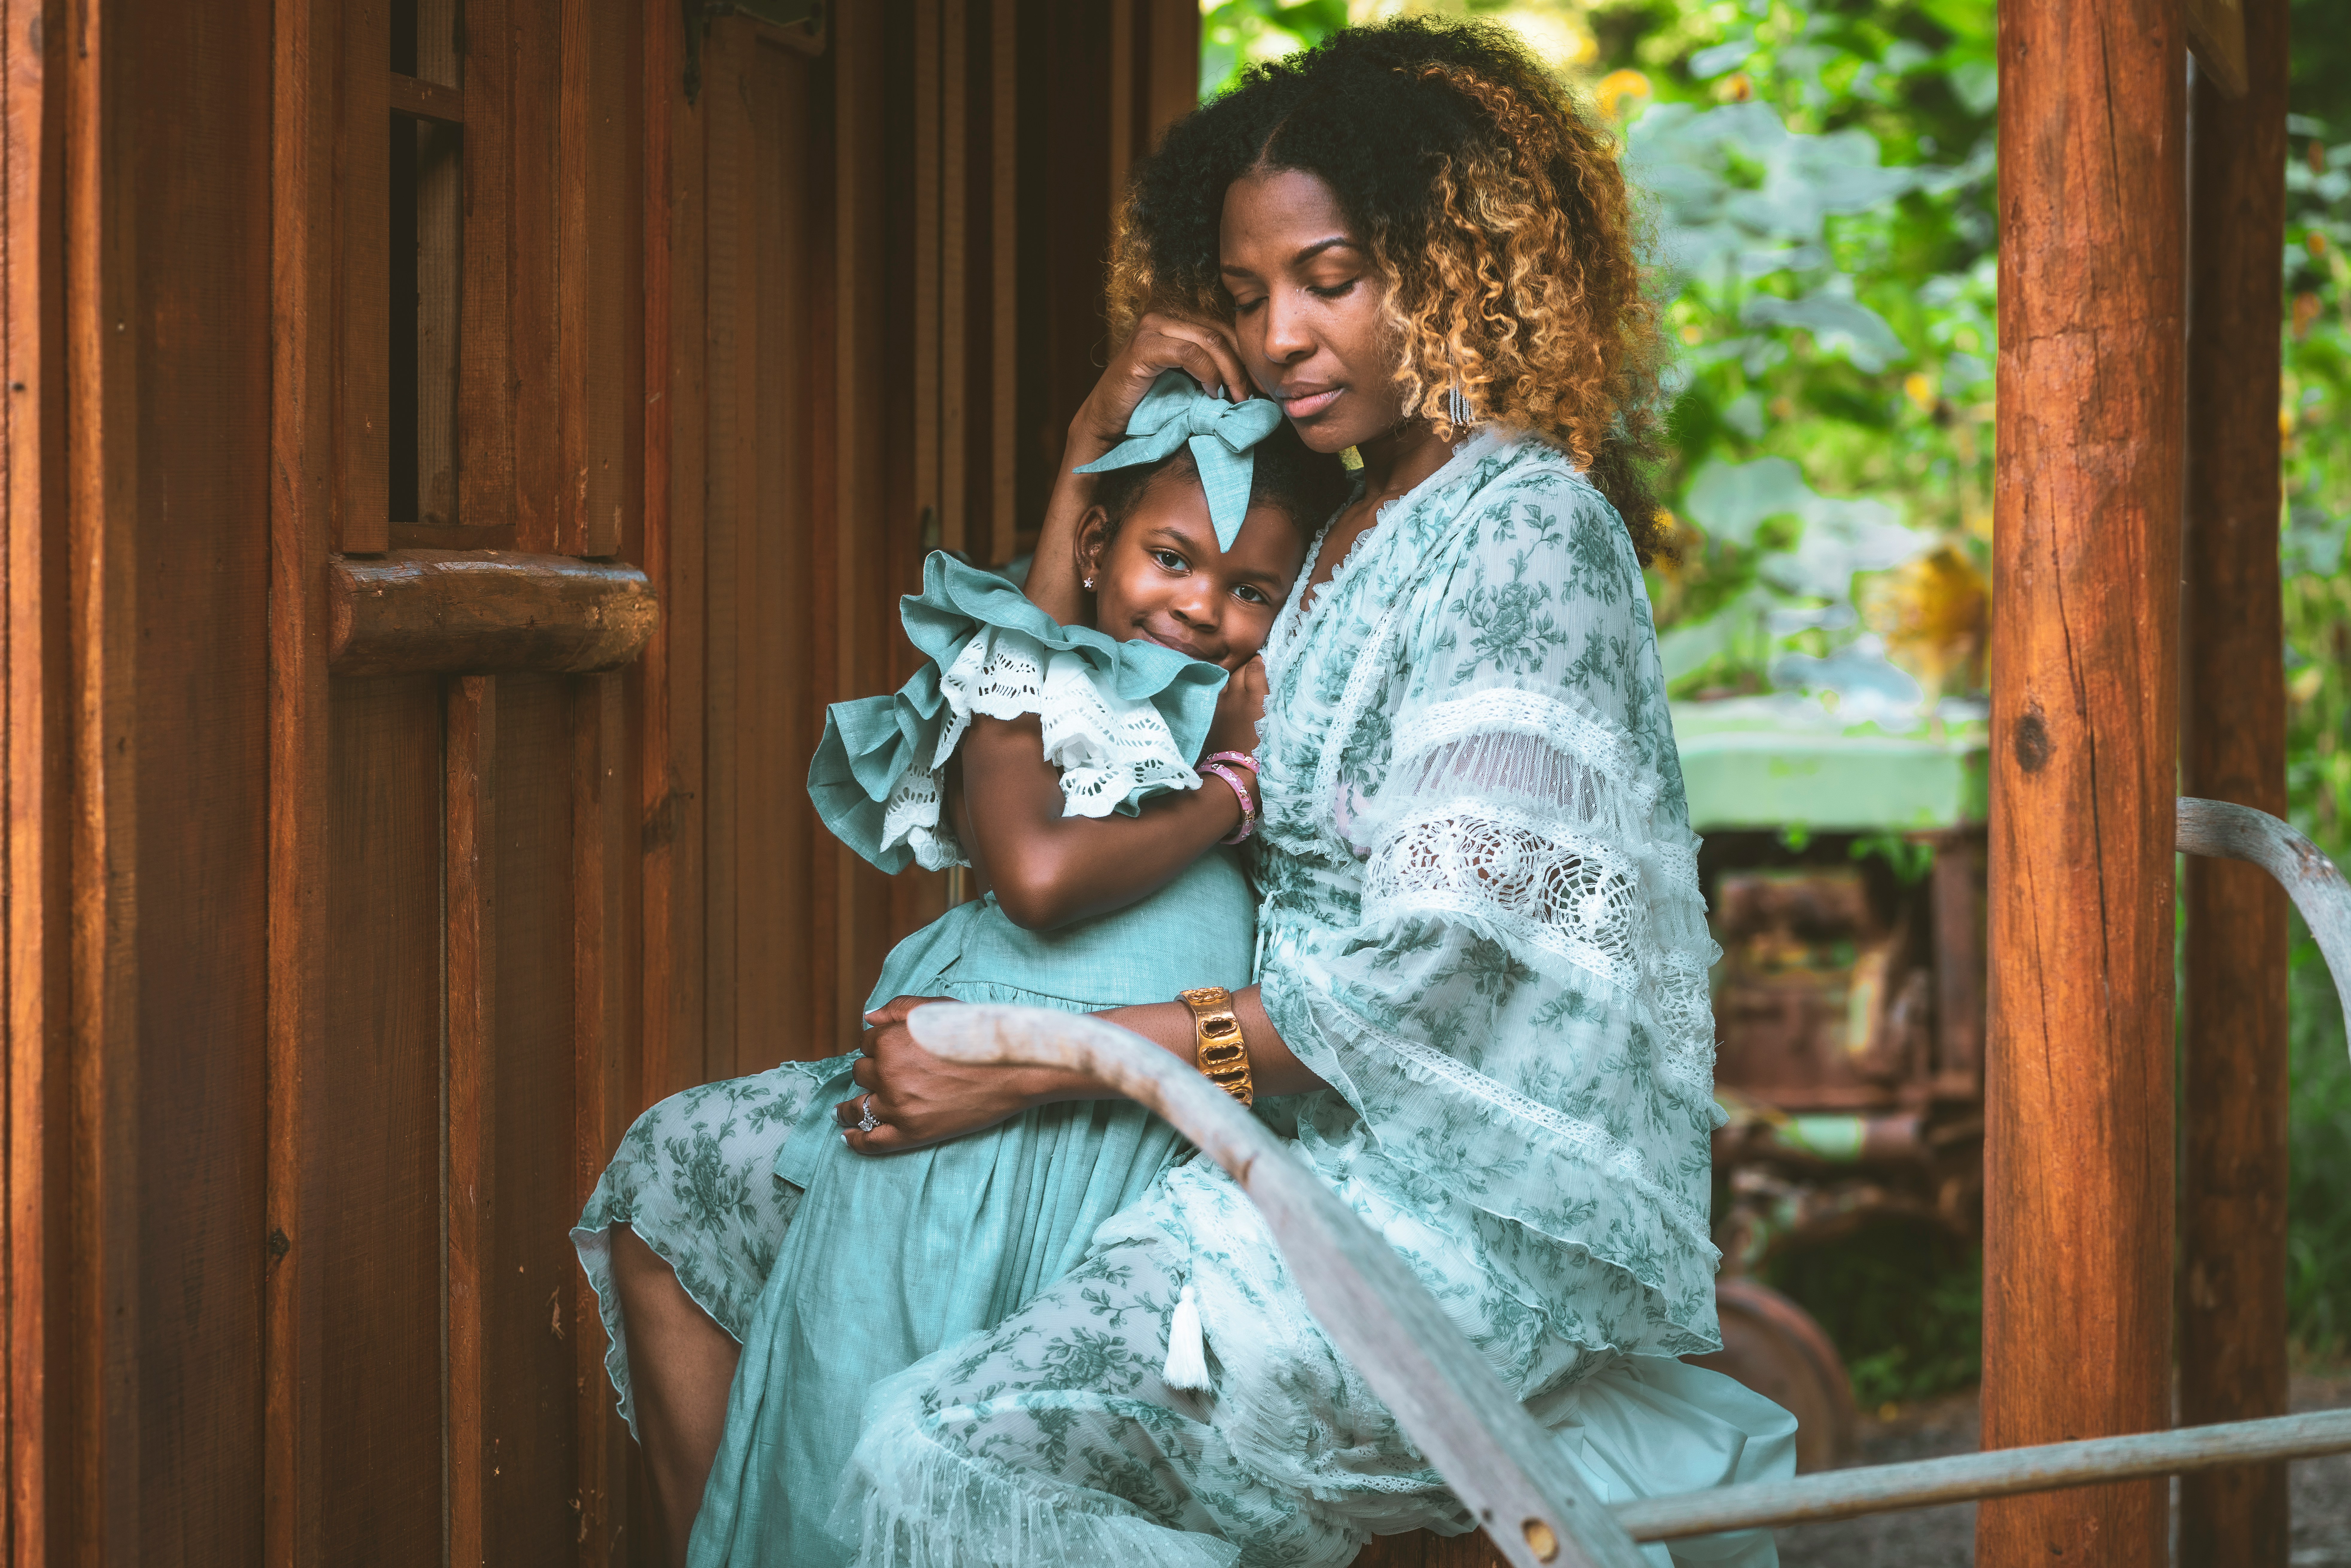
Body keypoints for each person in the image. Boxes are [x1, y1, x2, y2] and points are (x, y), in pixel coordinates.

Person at [831, 19, 1796, 1568]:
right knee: (773, 1239)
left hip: (1456, 1218)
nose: (1280, 334)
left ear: (1463, 260)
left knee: (934, 1457)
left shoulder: (1519, 530)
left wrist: (1043, 1057)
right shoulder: (1347, 530)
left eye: (1330, 278)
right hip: (1296, 1155)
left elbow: (1425, 991)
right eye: (1245, 295)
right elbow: (1069, 769)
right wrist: (1094, 455)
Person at [573, 382, 1346, 1567]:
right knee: (849, 1363)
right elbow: (1036, 875)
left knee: (982, 1439)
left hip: (1141, 1117)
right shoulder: (1041, 686)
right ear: (1094, 551)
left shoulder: (1276, 703)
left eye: (1250, 590)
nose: (1201, 607)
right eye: (1170, 558)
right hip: (982, 1079)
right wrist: (1226, 793)